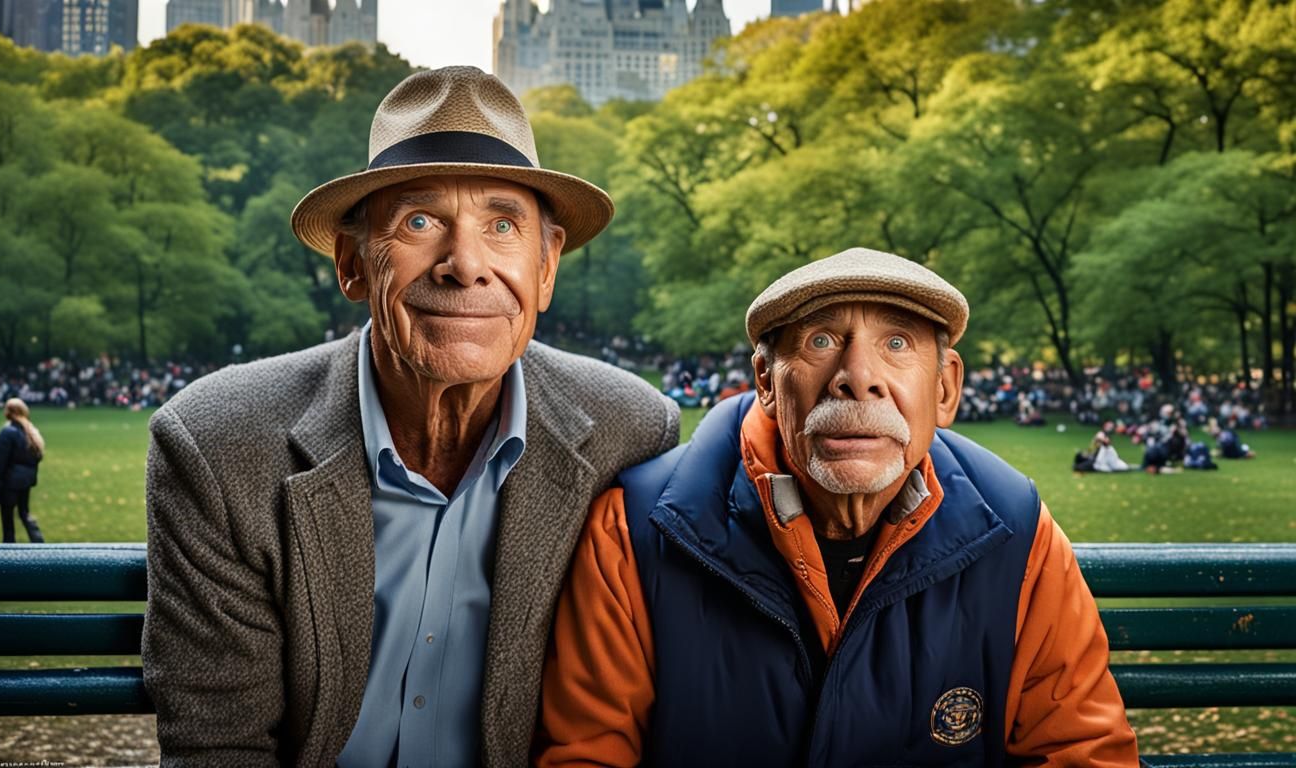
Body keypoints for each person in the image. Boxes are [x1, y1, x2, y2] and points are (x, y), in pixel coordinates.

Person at [141, 67, 680, 767]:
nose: (465, 264)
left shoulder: (631, 437)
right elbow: (220, 745)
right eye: (419, 222)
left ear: (546, 269)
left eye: (503, 225)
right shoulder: (218, 447)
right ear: (354, 263)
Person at [536, 248, 1137, 765]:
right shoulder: (634, 529)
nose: (857, 376)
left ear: (946, 388)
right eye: (821, 340)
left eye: (896, 343)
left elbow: (1080, 751)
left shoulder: (1018, 532)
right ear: (767, 383)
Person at [0, 397, 46, 543]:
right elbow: (37, 457)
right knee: (24, 513)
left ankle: (8, 551)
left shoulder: (8, 432)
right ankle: (39, 542)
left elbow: (0, 460)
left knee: (7, 518)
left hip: (9, 481)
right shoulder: (31, 432)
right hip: (26, 481)